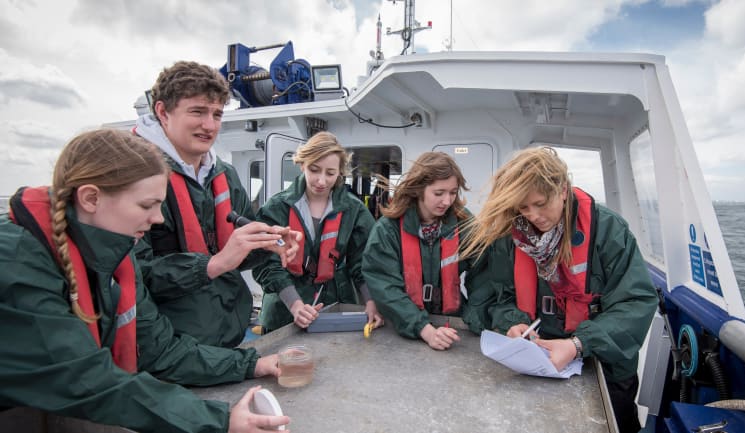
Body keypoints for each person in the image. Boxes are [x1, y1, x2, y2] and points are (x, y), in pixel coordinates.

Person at [0, 129, 289, 432]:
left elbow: (159, 348)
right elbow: (85, 380)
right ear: (90, 198)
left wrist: (251, 364)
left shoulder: (116, 257)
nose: (158, 219)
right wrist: (220, 421)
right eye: (146, 206)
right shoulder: (16, 261)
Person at [460, 146, 657, 433]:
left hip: (601, 365)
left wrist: (577, 345)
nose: (533, 216)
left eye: (541, 203)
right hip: (534, 364)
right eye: (523, 208)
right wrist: (512, 323)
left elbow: (636, 302)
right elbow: (497, 297)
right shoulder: (508, 236)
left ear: (562, 190)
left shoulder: (609, 230)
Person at [133, 60, 299, 347]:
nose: (209, 125)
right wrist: (215, 263)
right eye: (197, 112)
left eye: (217, 114)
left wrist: (264, 244)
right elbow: (133, 277)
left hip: (223, 337)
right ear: (163, 112)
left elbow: (234, 254)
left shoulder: (225, 175)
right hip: (167, 349)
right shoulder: (132, 173)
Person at [253, 131, 383, 331]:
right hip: (283, 313)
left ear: (340, 172)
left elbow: (365, 262)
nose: (321, 181)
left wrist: (371, 300)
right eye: (314, 170)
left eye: (330, 173)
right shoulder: (276, 207)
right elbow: (266, 264)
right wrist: (295, 304)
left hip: (336, 307)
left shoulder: (354, 210)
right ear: (302, 164)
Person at [362, 152, 492, 350]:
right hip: (403, 326)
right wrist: (425, 329)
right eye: (439, 193)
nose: (447, 201)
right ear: (418, 190)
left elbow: (486, 274)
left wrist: (476, 319)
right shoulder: (387, 230)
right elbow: (386, 287)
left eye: (453, 192)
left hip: (452, 324)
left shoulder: (464, 223)